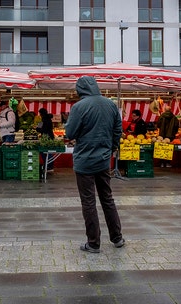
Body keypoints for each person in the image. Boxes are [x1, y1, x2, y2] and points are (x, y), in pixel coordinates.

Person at [65, 76, 125, 254]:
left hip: (84, 161)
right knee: (107, 198)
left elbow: (70, 132)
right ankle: (117, 237)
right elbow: (118, 130)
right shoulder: (110, 104)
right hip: (103, 160)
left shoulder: (79, 107)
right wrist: (111, 147)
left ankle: (93, 243)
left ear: (80, 89)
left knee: (88, 202)